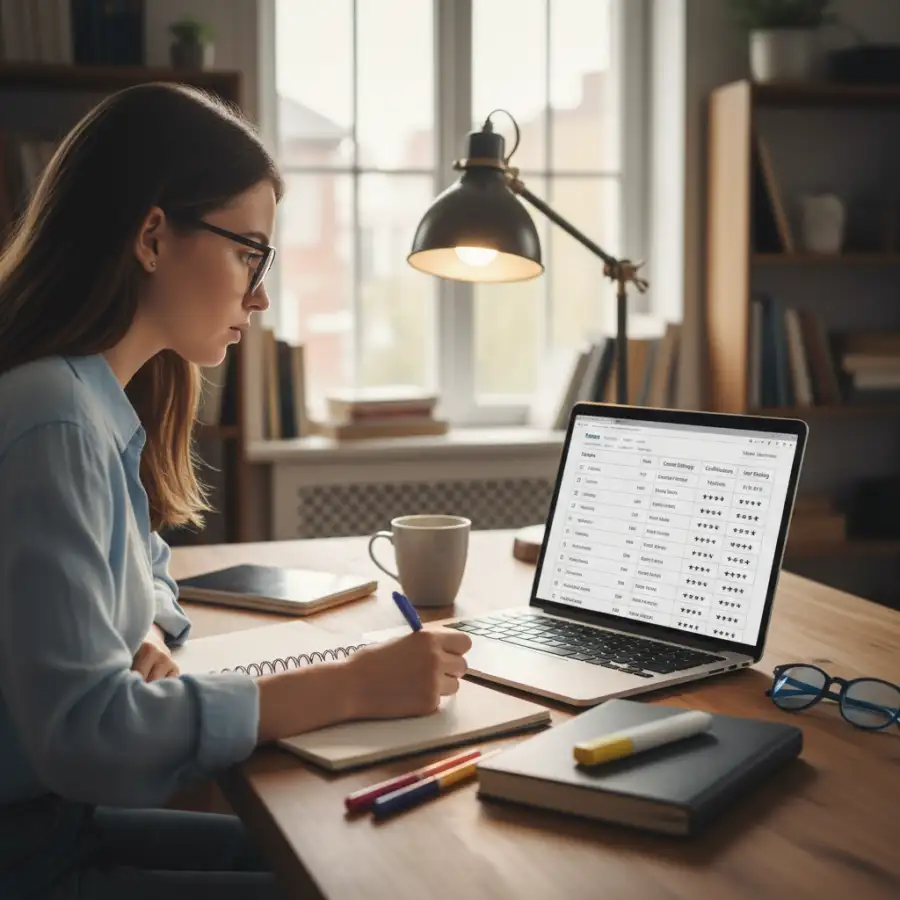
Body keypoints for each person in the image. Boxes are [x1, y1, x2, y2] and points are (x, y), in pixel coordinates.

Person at [0, 83, 472, 900]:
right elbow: (85, 737)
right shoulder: (56, 421)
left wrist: (135, 631)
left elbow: (146, 568)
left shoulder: (90, 404)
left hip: (51, 829)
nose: (258, 295)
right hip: (29, 858)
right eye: (248, 253)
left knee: (346, 867)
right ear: (153, 235)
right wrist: (351, 684)